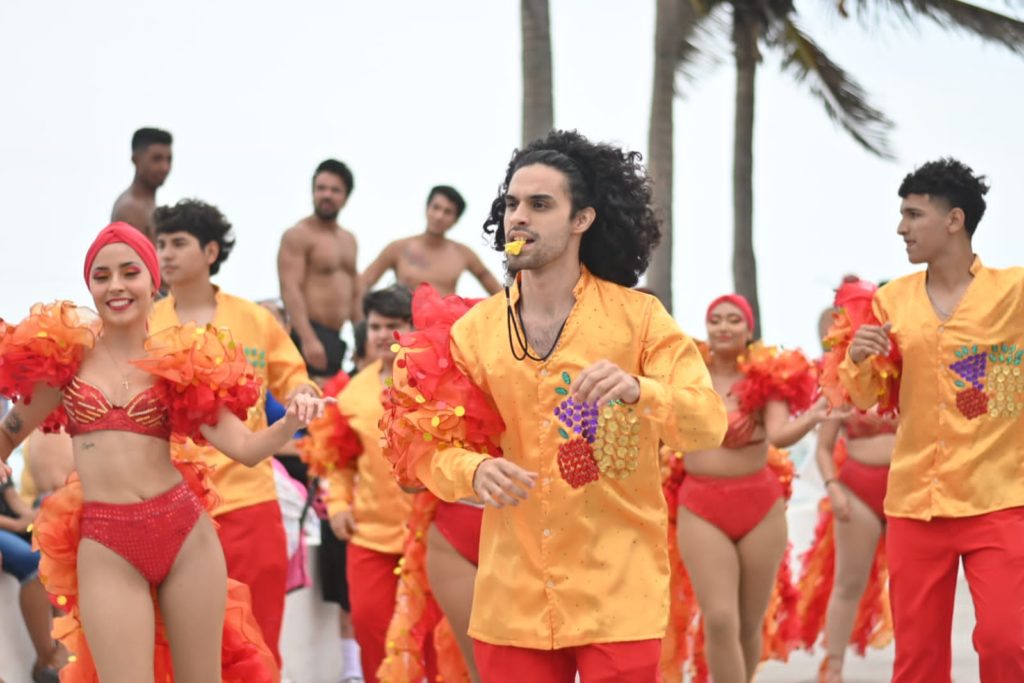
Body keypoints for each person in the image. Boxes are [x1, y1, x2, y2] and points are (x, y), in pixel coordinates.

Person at [382, 130, 728, 682]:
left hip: (620, 593)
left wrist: (640, 390)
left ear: (581, 219)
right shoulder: (474, 332)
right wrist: (472, 470)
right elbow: (422, 447)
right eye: (512, 204)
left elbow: (708, 422)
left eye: (540, 204)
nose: (518, 217)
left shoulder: (639, 318)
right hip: (512, 599)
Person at [0, 222, 330, 682]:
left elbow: (247, 448)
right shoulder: (65, 365)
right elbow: (8, 435)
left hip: (185, 536)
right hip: (107, 544)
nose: (116, 285)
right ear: (89, 285)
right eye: (102, 276)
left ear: (153, 281)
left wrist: (291, 420)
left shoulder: (179, 364)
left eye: (130, 272)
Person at [834, 158, 1024, 683]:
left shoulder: (1014, 292)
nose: (902, 228)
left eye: (914, 215)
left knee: (1009, 644)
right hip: (916, 503)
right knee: (917, 660)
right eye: (902, 215)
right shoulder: (890, 300)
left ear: (954, 220)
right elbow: (868, 398)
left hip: (998, 499)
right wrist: (857, 358)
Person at [152, 198, 322, 664]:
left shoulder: (254, 319)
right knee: (179, 651)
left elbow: (295, 378)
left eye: (178, 243)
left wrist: (303, 395)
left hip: (249, 503)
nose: (165, 254)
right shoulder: (145, 324)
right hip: (171, 507)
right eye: (161, 244)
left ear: (210, 252)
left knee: (257, 643)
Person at [662, 295, 832, 683]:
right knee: (720, 619)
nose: (724, 326)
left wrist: (813, 418)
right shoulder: (686, 376)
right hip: (701, 508)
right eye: (716, 319)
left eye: (733, 320)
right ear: (706, 328)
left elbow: (779, 435)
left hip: (760, 509)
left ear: (748, 329)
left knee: (748, 624)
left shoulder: (765, 379)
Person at [311, 286, 418, 683]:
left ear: (413, 328)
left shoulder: (437, 383)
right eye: (375, 327)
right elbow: (339, 460)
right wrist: (338, 505)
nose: (383, 334)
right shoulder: (351, 393)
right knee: (371, 632)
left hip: (429, 536)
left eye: (394, 325)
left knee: (438, 643)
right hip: (370, 537)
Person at [797, 277, 896, 683]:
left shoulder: (909, 369)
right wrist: (833, 488)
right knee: (848, 583)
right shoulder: (841, 376)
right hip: (857, 493)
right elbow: (823, 448)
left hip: (907, 490)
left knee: (912, 587)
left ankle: (915, 666)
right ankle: (832, 668)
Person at [278, 159, 360, 380]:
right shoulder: (298, 234)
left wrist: (361, 339)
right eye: (321, 188)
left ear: (346, 197)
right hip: (308, 334)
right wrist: (308, 339)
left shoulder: (349, 239)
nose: (326, 195)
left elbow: (354, 291)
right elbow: (289, 288)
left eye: (335, 190)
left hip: (337, 338)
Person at [360, 185, 502, 297]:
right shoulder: (398, 248)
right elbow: (363, 283)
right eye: (436, 207)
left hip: (445, 324)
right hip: (405, 323)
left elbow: (499, 293)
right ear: (427, 208)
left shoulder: (464, 254)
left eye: (448, 212)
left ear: (456, 220)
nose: (439, 216)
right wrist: (362, 320)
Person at [1, 477, 61, 683]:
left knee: (58, 550)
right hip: (7, 526)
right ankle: (46, 659)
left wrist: (33, 518)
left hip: (13, 524)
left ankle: (63, 652)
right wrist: (17, 525)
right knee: (33, 562)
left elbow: (12, 498)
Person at [110, 128, 172, 243]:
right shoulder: (131, 209)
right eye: (157, 159)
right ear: (136, 159)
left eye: (169, 159)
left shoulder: (146, 203)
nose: (165, 167)